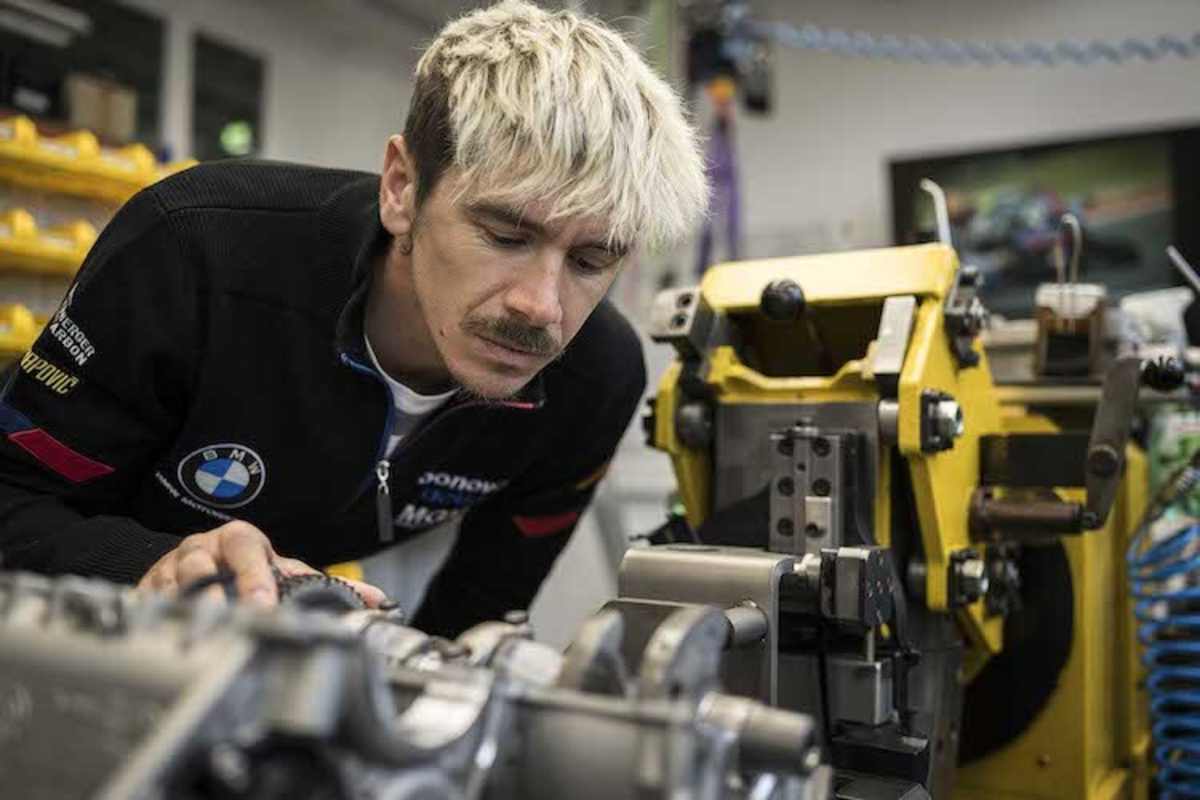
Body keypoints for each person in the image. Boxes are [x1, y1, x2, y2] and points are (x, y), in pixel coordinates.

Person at [0, 0, 707, 636]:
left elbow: (470, 621)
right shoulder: (194, 252)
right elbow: (12, 504)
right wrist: (149, 565)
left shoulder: (594, 380)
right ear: (403, 188)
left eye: (590, 260)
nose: (541, 308)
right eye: (504, 236)